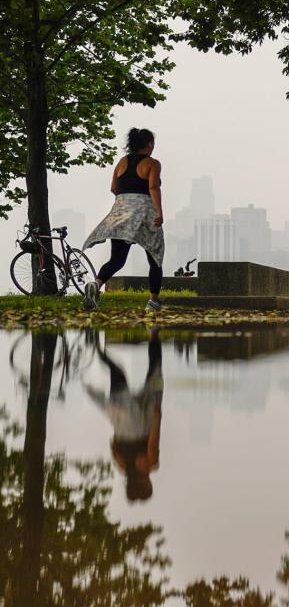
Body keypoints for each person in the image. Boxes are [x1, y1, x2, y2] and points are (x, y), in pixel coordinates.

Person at [82, 127, 165, 311]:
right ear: (149, 145)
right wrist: (159, 212)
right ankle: (153, 301)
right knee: (155, 257)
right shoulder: (153, 163)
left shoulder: (122, 162)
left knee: (117, 260)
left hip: (120, 212)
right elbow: (153, 188)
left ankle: (96, 285)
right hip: (144, 213)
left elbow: (114, 188)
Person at [85, 329, 164, 503]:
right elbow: (113, 443)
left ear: (146, 484)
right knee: (117, 374)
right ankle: (96, 347)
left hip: (140, 422)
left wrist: (157, 412)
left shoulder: (151, 463)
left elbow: (153, 439)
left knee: (155, 369)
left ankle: (153, 332)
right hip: (121, 421)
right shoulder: (122, 466)